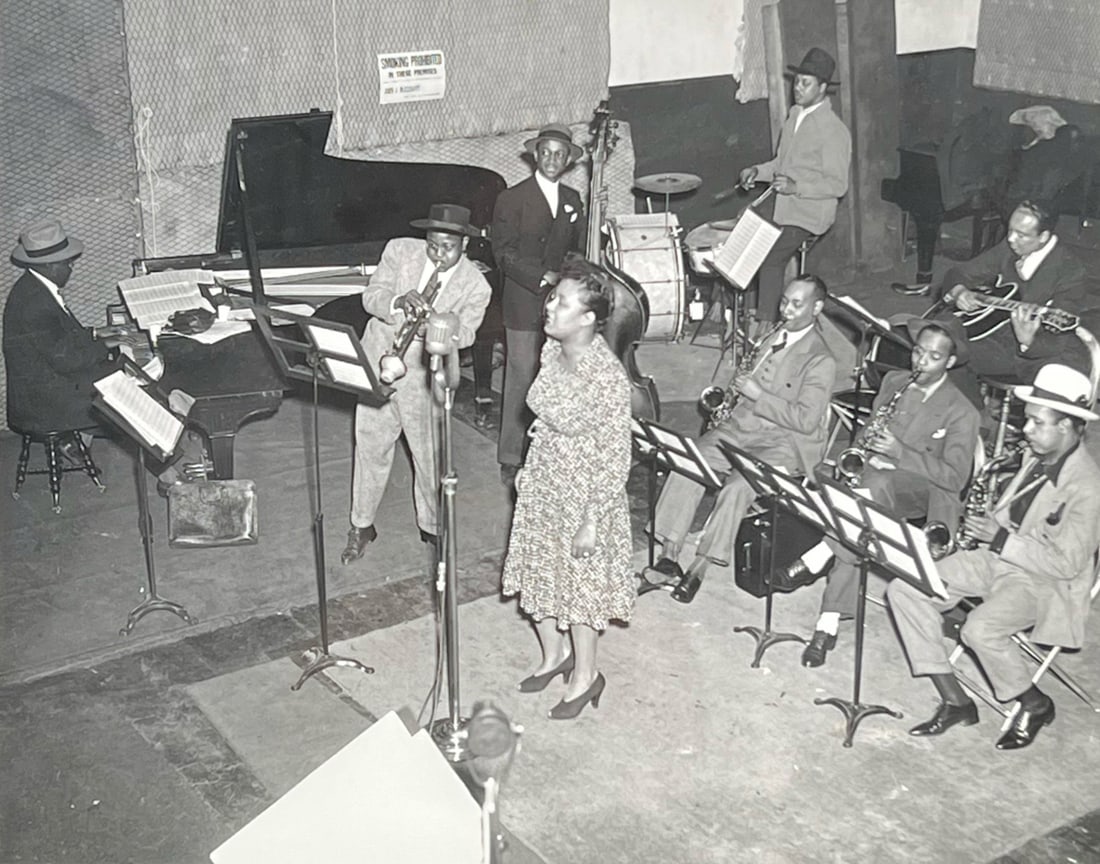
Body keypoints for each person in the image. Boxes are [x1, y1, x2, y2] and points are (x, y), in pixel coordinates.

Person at [886, 364, 1100, 749]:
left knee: (979, 629)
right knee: (906, 588)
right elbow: (1010, 515)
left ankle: (1035, 703)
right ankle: (957, 702)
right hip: (998, 559)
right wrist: (984, 525)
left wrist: (1000, 538)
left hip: (1045, 584)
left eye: (1036, 423)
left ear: (1067, 426)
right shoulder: (1038, 457)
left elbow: (1066, 564)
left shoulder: (1088, 487)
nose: (1026, 430)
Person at [776, 319, 980, 667]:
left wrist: (900, 454)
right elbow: (866, 433)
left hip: (921, 489)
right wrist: (855, 458)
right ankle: (827, 624)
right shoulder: (893, 381)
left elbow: (955, 477)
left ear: (949, 361)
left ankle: (822, 551)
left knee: (870, 495)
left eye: (933, 357)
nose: (920, 362)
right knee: (860, 508)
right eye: (918, 352)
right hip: (874, 479)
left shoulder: (962, 411)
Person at [651, 275, 837, 604]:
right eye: (784, 301)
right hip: (741, 427)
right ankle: (669, 554)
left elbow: (807, 421)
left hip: (783, 442)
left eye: (797, 304)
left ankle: (700, 566)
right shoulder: (770, 336)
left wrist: (758, 395)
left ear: (817, 308)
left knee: (738, 486)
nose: (787, 309)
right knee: (690, 460)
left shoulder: (820, 359)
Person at [502, 259, 633, 721]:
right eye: (552, 298)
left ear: (589, 318)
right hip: (545, 477)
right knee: (538, 572)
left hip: (586, 490)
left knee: (580, 590)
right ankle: (554, 657)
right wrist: (526, 464)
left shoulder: (608, 378)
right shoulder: (550, 352)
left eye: (561, 302)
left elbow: (616, 455)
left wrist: (594, 520)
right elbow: (542, 416)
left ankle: (586, 676)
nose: (549, 308)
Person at [342, 203, 491, 564]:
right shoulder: (399, 250)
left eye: (449, 248)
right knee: (370, 446)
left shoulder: (476, 285)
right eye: (433, 245)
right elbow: (370, 297)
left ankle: (432, 526)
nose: (439, 254)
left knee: (428, 456)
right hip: (378, 362)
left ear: (464, 246)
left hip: (424, 377)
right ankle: (361, 525)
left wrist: (438, 329)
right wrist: (396, 300)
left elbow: (468, 333)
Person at [492, 123, 585, 488]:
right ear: (535, 155)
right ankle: (511, 455)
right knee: (520, 377)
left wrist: (570, 278)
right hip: (522, 299)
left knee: (560, 376)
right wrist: (543, 276)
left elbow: (575, 248)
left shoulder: (573, 200)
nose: (551, 160)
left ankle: (552, 450)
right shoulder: (512, 199)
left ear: (567, 161)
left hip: (559, 302)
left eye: (558, 155)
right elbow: (504, 253)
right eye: (545, 153)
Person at [737, 48, 851, 326]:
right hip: (784, 204)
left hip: (810, 212)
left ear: (823, 88)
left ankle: (766, 327)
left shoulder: (834, 131)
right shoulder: (795, 116)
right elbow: (781, 163)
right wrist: (757, 171)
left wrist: (796, 186)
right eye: (796, 81)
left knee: (770, 256)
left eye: (806, 83)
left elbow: (837, 185)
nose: (797, 88)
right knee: (742, 231)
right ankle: (733, 309)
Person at [933, 200, 1092, 396]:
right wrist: (959, 292)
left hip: (1022, 354)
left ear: (1043, 237)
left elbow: (1057, 341)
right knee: (934, 336)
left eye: (1021, 235)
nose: (1010, 239)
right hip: (988, 330)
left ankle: (968, 416)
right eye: (1010, 230)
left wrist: (1028, 340)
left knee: (943, 352)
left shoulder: (1070, 271)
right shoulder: (1010, 247)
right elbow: (960, 273)